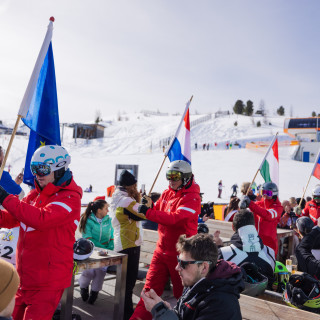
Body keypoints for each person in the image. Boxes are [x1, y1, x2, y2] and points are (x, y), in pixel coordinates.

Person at [0, 145, 82, 320]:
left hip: (47, 282)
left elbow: (40, 219)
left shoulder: (70, 198)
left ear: (59, 168)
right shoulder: (34, 195)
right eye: (34, 168)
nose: (37, 174)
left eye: (42, 169)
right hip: (25, 278)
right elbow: (11, 217)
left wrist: (4, 197)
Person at [130, 160, 201, 320]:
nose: (171, 179)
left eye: (175, 176)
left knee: (182, 294)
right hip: (161, 251)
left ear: (186, 178)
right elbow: (159, 212)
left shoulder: (192, 198)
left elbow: (175, 219)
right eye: (169, 176)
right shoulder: (167, 193)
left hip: (181, 255)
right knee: (149, 291)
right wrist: (149, 206)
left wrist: (148, 213)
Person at [140, 233, 244, 320]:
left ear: (204, 267)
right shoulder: (196, 283)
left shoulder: (220, 303)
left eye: (183, 263)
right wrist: (167, 310)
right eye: (178, 261)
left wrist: (160, 311)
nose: (177, 267)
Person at [110, 170, 146, 320]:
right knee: (129, 281)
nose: (136, 188)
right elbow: (143, 213)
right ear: (129, 186)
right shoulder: (126, 201)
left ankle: (124, 310)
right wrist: (146, 201)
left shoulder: (117, 196)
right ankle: (126, 314)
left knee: (124, 281)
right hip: (130, 243)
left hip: (123, 241)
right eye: (134, 185)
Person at [219, 209, 275, 287]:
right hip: (267, 297)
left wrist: (217, 247)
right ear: (253, 226)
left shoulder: (223, 253)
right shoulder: (270, 252)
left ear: (233, 227)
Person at [78, 197, 114, 304]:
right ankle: (83, 287)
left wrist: (110, 247)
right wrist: (103, 248)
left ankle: (94, 293)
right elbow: (88, 239)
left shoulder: (108, 220)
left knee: (100, 271)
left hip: (105, 253)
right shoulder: (88, 221)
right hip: (90, 252)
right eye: (106, 208)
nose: (108, 211)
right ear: (99, 210)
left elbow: (112, 236)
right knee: (89, 271)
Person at [240, 182, 282, 254]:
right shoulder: (258, 204)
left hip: (269, 244)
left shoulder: (278, 208)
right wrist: (243, 203)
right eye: (263, 192)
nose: (265, 195)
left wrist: (250, 204)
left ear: (274, 194)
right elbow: (246, 213)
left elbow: (267, 215)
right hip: (255, 242)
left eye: (268, 193)